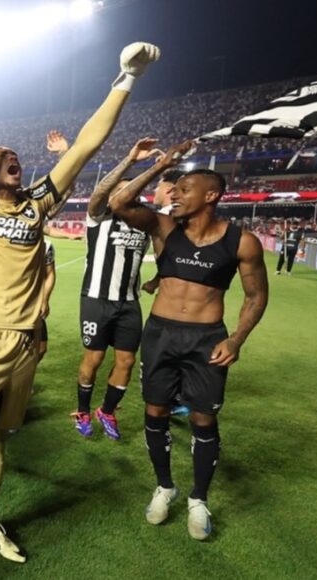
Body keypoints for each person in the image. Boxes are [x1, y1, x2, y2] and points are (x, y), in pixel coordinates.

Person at [0, 35, 160, 578]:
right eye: (3, 158)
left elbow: (87, 144)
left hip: (23, 345)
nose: (14, 160)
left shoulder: (37, 204)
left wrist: (126, 80)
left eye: (18, 158)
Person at [109, 144, 269, 541]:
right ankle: (165, 486)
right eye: (173, 188)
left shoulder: (242, 242)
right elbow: (118, 202)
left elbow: (256, 296)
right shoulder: (164, 228)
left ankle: (199, 498)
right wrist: (158, 166)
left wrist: (237, 339)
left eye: (184, 188)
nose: (174, 194)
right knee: (156, 409)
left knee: (203, 417)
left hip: (207, 340)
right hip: (160, 333)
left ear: (211, 196)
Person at [72, 138, 161, 440]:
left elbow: (169, 251)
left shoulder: (146, 222)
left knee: (126, 360)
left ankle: (107, 411)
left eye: (134, 187)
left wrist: (157, 280)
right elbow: (99, 193)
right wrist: (131, 160)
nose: (130, 191)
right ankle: (83, 411)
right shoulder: (100, 216)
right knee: (93, 360)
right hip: (96, 299)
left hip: (129, 302)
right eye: (124, 188)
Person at [38, 239, 56, 359]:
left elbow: (50, 273)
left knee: (41, 348)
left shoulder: (46, 245)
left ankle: (22, 376)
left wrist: (45, 300)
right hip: (5, 302)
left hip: (33, 304)